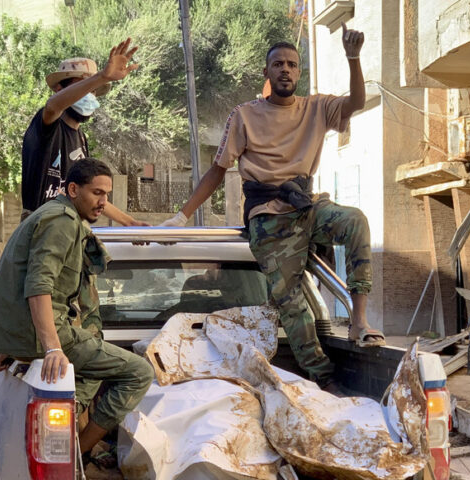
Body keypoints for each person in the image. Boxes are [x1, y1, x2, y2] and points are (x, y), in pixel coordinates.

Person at [159, 26, 385, 390]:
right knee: (291, 302)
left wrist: (353, 59)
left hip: (307, 206)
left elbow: (356, 103)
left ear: (298, 72)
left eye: (292, 64)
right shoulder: (244, 115)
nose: (285, 69)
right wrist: (182, 216)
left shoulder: (316, 107)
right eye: (278, 64)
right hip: (268, 218)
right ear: (266, 74)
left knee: (355, 221)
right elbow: (217, 171)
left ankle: (359, 319)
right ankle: (323, 379)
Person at [0, 159, 152, 480]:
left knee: (91, 373)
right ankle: (78, 456)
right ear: (73, 189)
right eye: (97, 193)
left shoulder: (55, 213)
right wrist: (51, 348)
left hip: (25, 333)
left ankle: (75, 450)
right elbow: (39, 286)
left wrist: (131, 222)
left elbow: (29, 284)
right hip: (44, 334)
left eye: (107, 194)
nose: (103, 201)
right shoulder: (63, 223)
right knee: (139, 372)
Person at [21, 40, 145, 227]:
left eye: (93, 90)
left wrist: (130, 223)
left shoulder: (81, 138)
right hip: (41, 230)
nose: (89, 95)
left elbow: (91, 194)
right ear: (59, 90)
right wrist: (102, 77)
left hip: (69, 229)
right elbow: (53, 106)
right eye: (83, 87)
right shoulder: (47, 126)